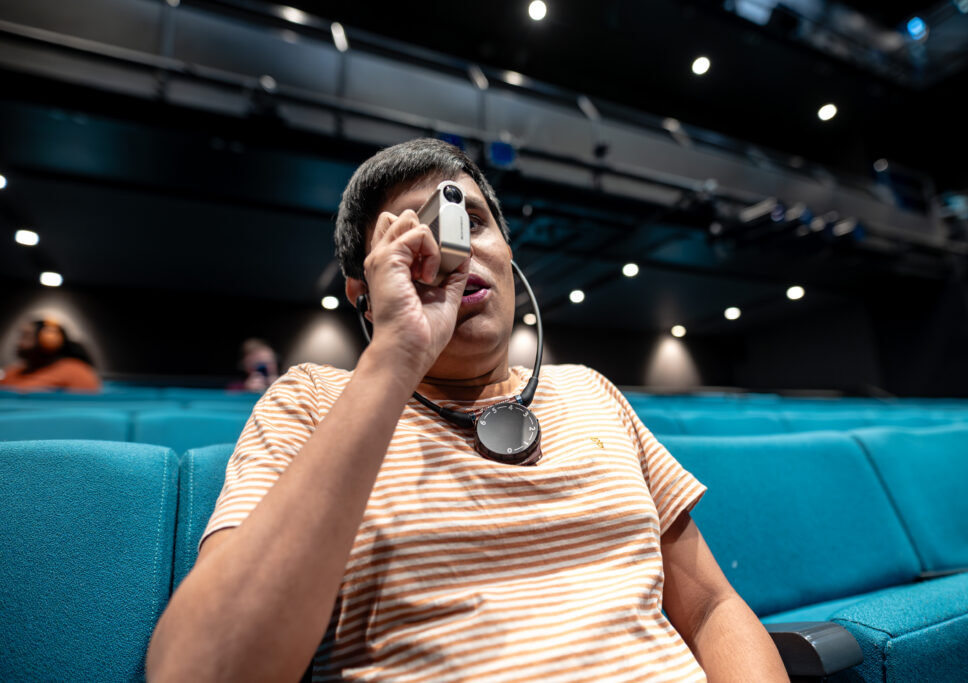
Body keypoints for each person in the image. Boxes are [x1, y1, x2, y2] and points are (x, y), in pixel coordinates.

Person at [147, 139, 787, 682]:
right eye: (410, 236)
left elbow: (710, 609)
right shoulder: (312, 401)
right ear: (362, 293)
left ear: (510, 254)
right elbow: (202, 667)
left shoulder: (593, 392)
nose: (452, 250)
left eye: (472, 222)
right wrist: (398, 355)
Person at [0, 319, 101, 392]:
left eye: (26, 337)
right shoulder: (14, 371)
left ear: (49, 342)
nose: (18, 343)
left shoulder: (76, 372)